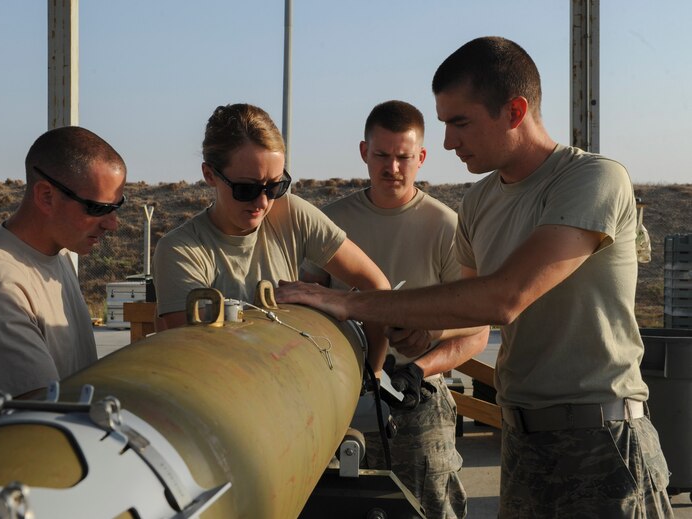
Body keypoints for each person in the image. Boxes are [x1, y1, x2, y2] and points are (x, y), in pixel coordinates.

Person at [277, 37, 673, 518]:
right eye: (444, 123)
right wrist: (428, 333)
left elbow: (502, 299)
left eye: (460, 122)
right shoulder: (479, 203)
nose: (447, 142)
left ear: (514, 111)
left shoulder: (592, 180)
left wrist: (352, 303)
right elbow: (465, 312)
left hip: (602, 444)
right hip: (523, 443)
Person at [301, 100, 488, 518]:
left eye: (404, 157)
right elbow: (306, 305)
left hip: (417, 402)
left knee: (430, 508)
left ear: (421, 158)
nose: (393, 168)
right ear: (364, 152)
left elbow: (476, 329)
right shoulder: (328, 223)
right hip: (337, 398)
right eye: (382, 155)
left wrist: (426, 352)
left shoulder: (446, 227)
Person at [152, 102, 391, 371]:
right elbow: (190, 357)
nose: (263, 202)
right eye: (246, 189)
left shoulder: (291, 215)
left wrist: (373, 374)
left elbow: (377, 288)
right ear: (209, 175)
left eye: (275, 186)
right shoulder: (181, 251)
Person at [0, 126, 127, 423]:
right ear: (46, 196)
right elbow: (36, 418)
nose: (112, 224)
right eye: (97, 208)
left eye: (117, 207)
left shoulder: (57, 254)